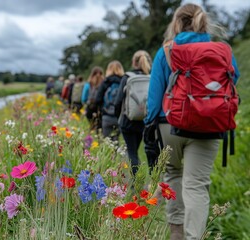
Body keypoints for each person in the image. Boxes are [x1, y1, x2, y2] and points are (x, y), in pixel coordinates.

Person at [144, 4, 240, 240]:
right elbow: (232, 80)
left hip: (170, 124)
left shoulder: (167, 50)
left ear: (176, 23)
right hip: (210, 125)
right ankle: (193, 237)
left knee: (173, 175)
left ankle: (176, 234)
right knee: (197, 184)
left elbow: (154, 96)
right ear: (204, 23)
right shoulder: (223, 51)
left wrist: (149, 125)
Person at [114, 50, 152, 177]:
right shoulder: (151, 77)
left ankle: (135, 182)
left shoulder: (127, 77)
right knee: (135, 150)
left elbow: (118, 100)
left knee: (132, 152)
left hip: (128, 121)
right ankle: (139, 179)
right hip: (144, 121)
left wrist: (118, 116)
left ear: (133, 62)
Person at [95, 60, 124, 142]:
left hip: (106, 116)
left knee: (106, 143)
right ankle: (116, 154)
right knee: (116, 141)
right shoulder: (124, 81)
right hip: (120, 117)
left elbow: (98, 99)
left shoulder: (105, 82)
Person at [82, 66, 104, 132]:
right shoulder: (104, 84)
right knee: (100, 127)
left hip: (90, 108)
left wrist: (86, 103)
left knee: (92, 126)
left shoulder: (88, 84)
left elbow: (83, 98)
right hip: (100, 108)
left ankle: (92, 138)